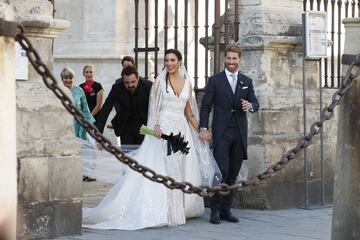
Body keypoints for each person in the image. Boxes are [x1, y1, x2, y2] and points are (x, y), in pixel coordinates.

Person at [82, 49, 221, 230]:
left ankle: (183, 208)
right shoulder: (159, 82)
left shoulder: (187, 83)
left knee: (181, 169)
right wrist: (156, 126)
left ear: (180, 61)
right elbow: (153, 109)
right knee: (164, 168)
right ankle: (170, 212)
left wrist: (201, 130)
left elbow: (190, 114)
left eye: (172, 60)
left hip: (182, 131)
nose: (169, 63)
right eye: (166, 60)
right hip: (161, 131)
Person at [199, 44, 259, 224]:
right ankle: (214, 210)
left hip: (239, 133)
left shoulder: (246, 81)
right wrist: (203, 127)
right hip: (221, 132)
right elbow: (206, 106)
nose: (231, 62)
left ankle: (227, 210)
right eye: (229, 58)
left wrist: (251, 106)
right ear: (225, 59)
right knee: (221, 172)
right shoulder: (215, 81)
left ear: (240, 60)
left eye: (235, 58)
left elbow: (255, 103)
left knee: (233, 172)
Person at [96, 65, 152, 145]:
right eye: (127, 82)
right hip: (125, 127)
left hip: (144, 126)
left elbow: (156, 108)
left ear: (138, 78)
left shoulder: (148, 86)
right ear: (123, 80)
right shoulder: (117, 87)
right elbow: (106, 109)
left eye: (133, 82)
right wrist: (99, 134)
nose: (130, 85)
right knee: (126, 154)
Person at [60, 67, 95, 140]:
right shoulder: (59, 91)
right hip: (63, 123)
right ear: (62, 79)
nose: (68, 80)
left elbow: (85, 108)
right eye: (66, 78)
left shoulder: (79, 90)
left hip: (79, 124)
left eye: (70, 78)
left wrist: (89, 123)